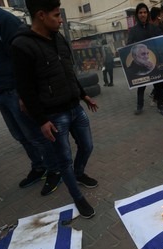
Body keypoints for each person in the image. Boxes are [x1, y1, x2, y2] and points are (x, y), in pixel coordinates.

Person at [11, 0, 98, 218]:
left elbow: (69, 73)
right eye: (56, 15)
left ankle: (79, 174)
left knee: (87, 146)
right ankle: (78, 198)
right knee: (64, 161)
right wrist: (41, 120)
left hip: (75, 108)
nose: (60, 20)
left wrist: (83, 95)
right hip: (53, 116)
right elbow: (26, 90)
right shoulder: (22, 46)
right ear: (41, 15)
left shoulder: (58, 38)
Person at [0, 0, 61, 196]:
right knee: (20, 135)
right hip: (0, 91)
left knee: (36, 135)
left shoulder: (1, 18)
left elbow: (24, 53)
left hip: (16, 90)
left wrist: (25, 94)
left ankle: (55, 169)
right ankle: (39, 167)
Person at [127, 3, 163, 115]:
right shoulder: (133, 31)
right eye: (140, 12)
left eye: (145, 12)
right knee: (141, 86)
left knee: (159, 85)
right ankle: (139, 106)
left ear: (147, 14)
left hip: (154, 63)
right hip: (139, 65)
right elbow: (128, 47)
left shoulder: (154, 28)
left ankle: (160, 105)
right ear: (137, 14)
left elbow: (162, 41)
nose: (143, 14)